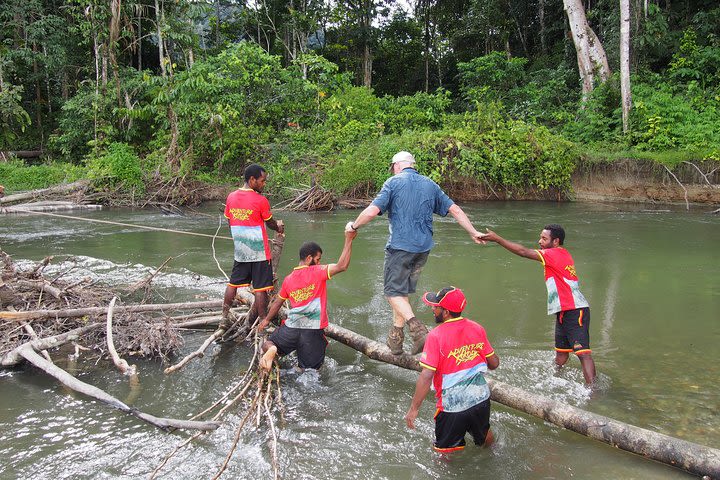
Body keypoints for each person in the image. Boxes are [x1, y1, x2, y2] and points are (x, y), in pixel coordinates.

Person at [348, 151, 484, 355]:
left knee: (391, 293)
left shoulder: (393, 183)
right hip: (423, 249)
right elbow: (455, 209)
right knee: (401, 293)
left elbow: (372, 211)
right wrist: (473, 231)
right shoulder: (430, 184)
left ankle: (418, 331)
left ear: (396, 165)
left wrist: (354, 225)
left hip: (400, 247)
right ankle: (396, 338)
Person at [482, 224, 596, 385]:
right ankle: (555, 379)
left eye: (544, 238)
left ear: (556, 241)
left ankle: (593, 392)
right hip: (564, 311)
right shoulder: (560, 253)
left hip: (575, 310)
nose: (539, 241)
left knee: (583, 353)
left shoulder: (554, 254)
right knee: (561, 355)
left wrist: (498, 239)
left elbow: (523, 252)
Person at [405, 286, 499, 452]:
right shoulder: (476, 328)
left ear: (446, 312)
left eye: (436, 306)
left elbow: (426, 375)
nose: (433, 309)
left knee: (443, 454)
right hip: (480, 399)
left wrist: (414, 409)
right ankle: (495, 455)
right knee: (484, 435)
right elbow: (494, 364)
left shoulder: (435, 335)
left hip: (452, 406)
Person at [257, 228, 357, 370]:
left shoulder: (288, 279)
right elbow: (342, 266)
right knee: (310, 371)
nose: (318, 262)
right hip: (312, 331)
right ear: (309, 258)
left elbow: (277, 303)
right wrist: (349, 239)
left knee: (269, 343)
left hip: (291, 328)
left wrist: (266, 320)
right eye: (317, 259)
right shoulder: (319, 271)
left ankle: (272, 350)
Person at [222, 164, 284, 326]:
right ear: (252, 180)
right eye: (262, 181)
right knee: (261, 288)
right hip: (259, 251)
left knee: (233, 284)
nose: (264, 184)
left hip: (240, 249)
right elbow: (269, 222)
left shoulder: (231, 197)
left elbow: (229, 220)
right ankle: (263, 321)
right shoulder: (260, 200)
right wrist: (278, 226)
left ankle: (224, 318)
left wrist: (238, 237)